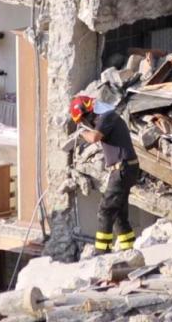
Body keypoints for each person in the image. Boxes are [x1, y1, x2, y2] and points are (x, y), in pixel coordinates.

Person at [70, 95, 140, 255]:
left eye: (84, 120)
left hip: (122, 169)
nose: (85, 123)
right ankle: (128, 249)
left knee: (105, 210)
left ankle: (102, 252)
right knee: (119, 213)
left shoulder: (106, 117)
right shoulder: (109, 116)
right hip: (126, 168)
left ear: (88, 112)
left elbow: (94, 137)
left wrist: (80, 133)